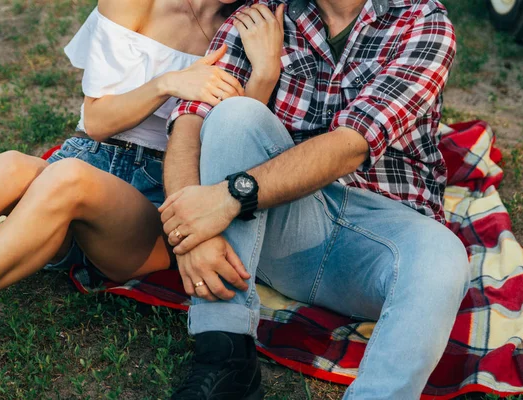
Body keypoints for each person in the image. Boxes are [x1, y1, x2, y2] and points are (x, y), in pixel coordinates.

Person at [161, 0, 470, 399]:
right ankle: (224, 359)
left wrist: (227, 197)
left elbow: (353, 144)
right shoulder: (261, 15)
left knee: (444, 255)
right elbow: (190, 123)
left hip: (378, 238)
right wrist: (189, 228)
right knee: (236, 116)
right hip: (282, 222)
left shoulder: (422, 20)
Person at [0, 0, 284, 308]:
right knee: (9, 166)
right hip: (90, 156)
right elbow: (97, 122)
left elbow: (237, 139)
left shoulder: (251, 23)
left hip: (156, 200)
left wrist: (265, 75)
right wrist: (168, 84)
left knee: (69, 178)